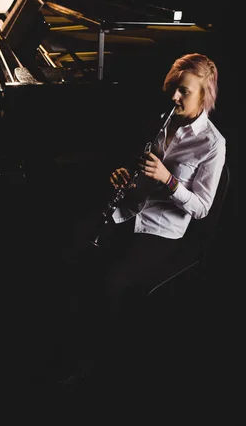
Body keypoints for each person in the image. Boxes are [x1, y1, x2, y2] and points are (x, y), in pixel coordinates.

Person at [47, 52, 226, 387]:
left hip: (162, 230)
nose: (174, 96)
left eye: (183, 91)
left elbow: (201, 207)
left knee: (111, 281)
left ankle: (94, 362)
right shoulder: (163, 118)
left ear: (204, 95)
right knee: (71, 248)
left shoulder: (213, 144)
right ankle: (65, 338)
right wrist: (123, 176)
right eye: (174, 87)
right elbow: (139, 164)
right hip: (127, 210)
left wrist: (168, 180)